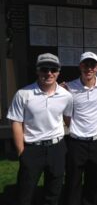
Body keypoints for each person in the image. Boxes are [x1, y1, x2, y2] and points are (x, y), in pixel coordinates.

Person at [6, 53, 73, 205]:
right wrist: (21, 152)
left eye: (53, 69)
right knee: (25, 193)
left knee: (53, 193)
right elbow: (16, 122)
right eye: (44, 69)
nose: (49, 73)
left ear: (58, 71)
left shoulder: (66, 96)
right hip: (32, 149)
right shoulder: (23, 94)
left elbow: (68, 119)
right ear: (37, 70)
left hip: (57, 148)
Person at [63, 52, 97, 205]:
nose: (89, 68)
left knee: (95, 181)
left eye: (92, 65)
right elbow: (66, 115)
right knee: (73, 181)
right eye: (85, 65)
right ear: (80, 66)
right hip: (76, 143)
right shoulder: (70, 87)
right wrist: (76, 129)